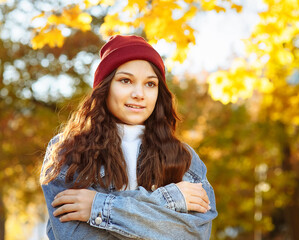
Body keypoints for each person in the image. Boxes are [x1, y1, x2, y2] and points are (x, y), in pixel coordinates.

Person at [40, 35, 217, 240]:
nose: (139, 94)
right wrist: (170, 200)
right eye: (126, 81)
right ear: (104, 88)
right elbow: (76, 236)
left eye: (150, 84)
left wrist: (98, 207)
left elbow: (194, 234)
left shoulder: (185, 158)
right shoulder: (68, 150)